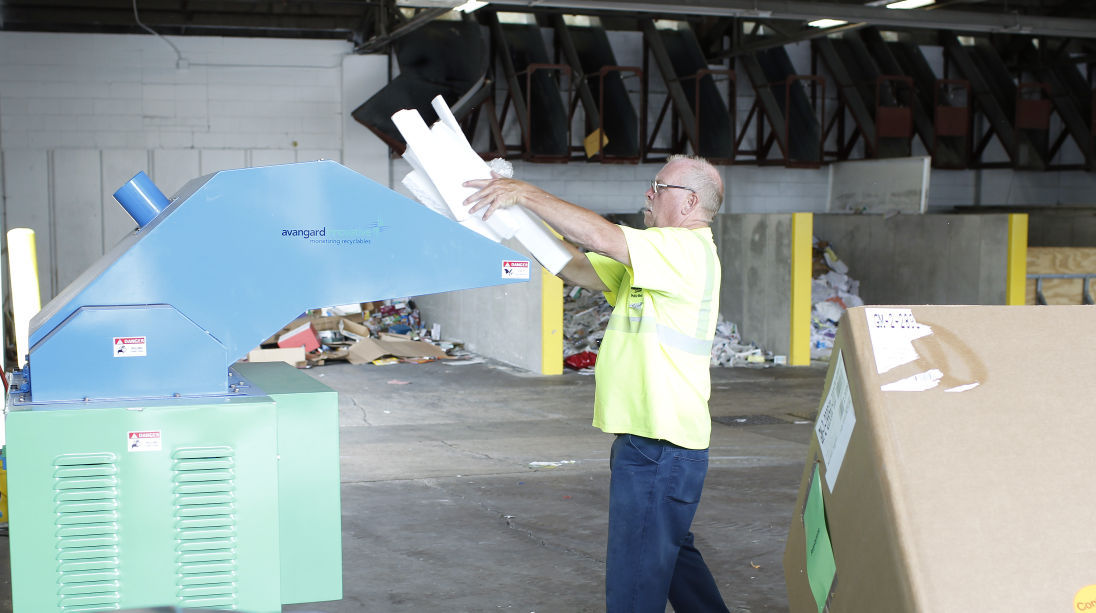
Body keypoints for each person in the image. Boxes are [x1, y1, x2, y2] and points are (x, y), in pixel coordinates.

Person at [464, 154, 730, 613]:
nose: (648, 194)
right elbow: (574, 264)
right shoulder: (656, 259)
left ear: (688, 203)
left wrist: (524, 192)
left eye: (658, 187)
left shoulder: (683, 250)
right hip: (652, 440)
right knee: (670, 558)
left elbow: (602, 237)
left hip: (661, 442)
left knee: (634, 583)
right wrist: (513, 213)